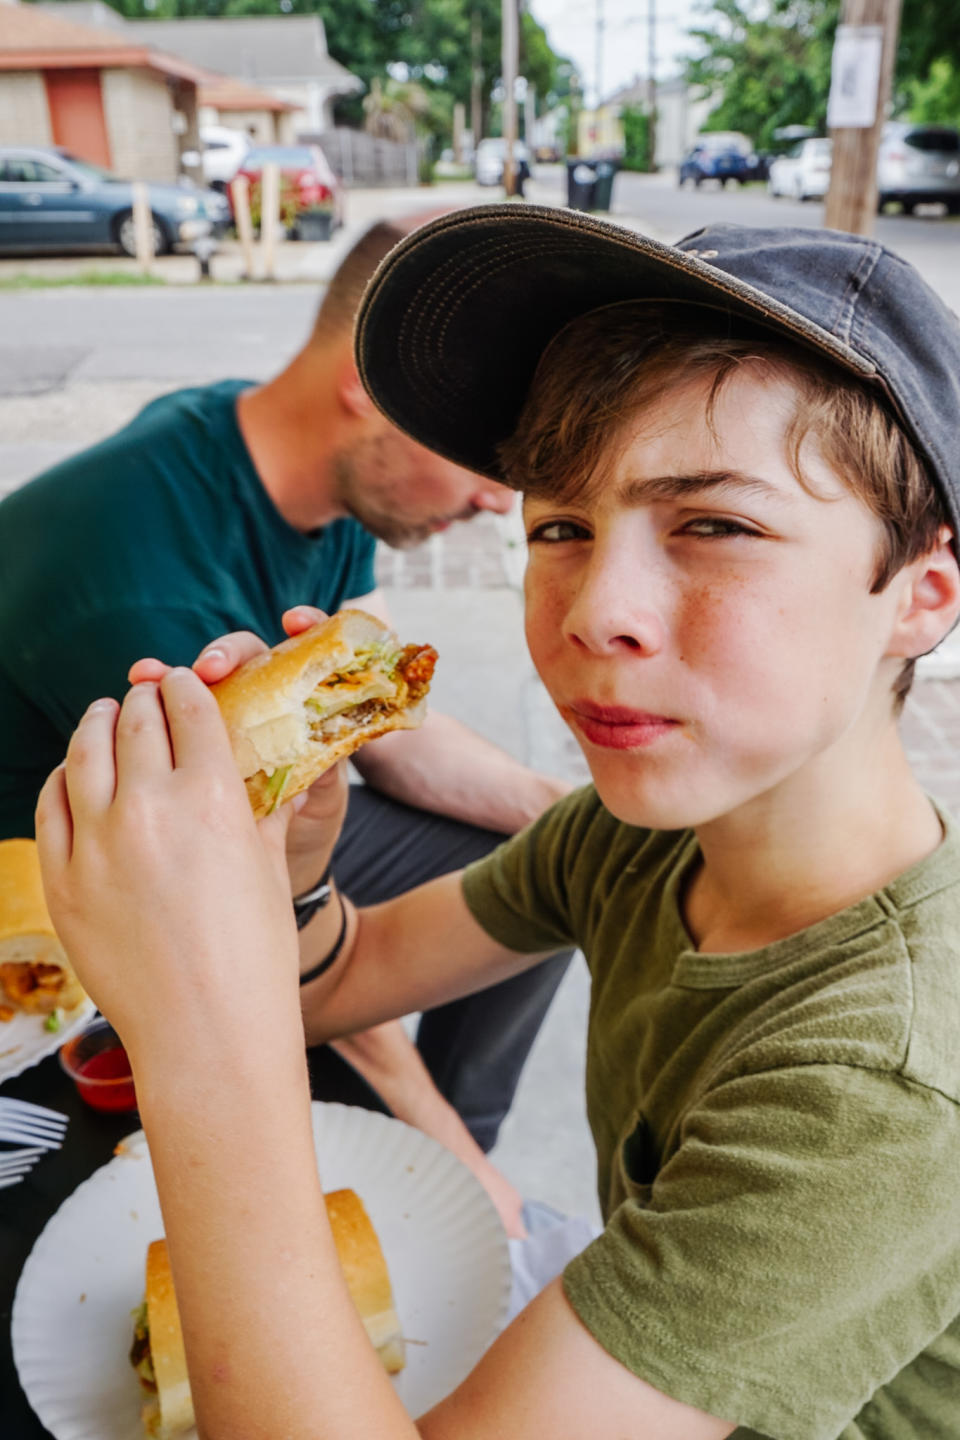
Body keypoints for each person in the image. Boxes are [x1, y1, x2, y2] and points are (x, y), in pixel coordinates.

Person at [36, 208, 960, 1438]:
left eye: (716, 524)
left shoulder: (884, 1091)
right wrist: (281, 887)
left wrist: (195, 1036)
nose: (596, 611)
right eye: (560, 528)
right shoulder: (639, 837)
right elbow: (345, 973)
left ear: (920, 597)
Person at [0, 217, 574, 1231]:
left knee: (544, 864)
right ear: (371, 379)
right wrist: (434, 1136)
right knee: (404, 1025)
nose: (499, 500)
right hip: (65, 898)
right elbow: (247, 902)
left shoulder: (296, 466)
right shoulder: (151, 606)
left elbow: (387, 722)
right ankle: (439, 1158)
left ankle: (451, 1143)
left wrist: (567, 815)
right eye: (486, 454)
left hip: (213, 827)